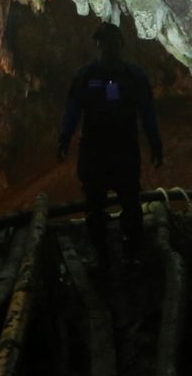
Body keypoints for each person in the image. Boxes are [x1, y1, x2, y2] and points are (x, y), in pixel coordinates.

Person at [57, 21, 164, 270]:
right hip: (95, 149)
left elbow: (148, 112)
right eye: (101, 44)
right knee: (94, 204)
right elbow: (73, 109)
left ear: (120, 46)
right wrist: (64, 138)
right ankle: (102, 254)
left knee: (130, 201)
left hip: (123, 148)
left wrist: (155, 142)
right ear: (97, 46)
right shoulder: (86, 75)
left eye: (109, 44)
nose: (105, 49)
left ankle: (131, 251)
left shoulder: (134, 77)